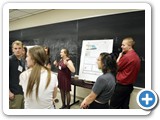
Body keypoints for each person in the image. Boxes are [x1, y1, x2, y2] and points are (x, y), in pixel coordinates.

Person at [110, 37, 141, 109]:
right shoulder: (136, 56)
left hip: (121, 87)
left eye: (123, 45)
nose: (121, 47)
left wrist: (119, 57)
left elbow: (115, 68)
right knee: (124, 106)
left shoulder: (127, 57)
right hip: (129, 86)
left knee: (113, 107)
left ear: (130, 46)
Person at [9, 40, 25, 109]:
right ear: (12, 50)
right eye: (15, 48)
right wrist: (8, 92)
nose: (17, 50)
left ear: (22, 49)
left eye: (19, 48)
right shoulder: (9, 60)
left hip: (21, 92)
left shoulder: (21, 61)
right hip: (13, 94)